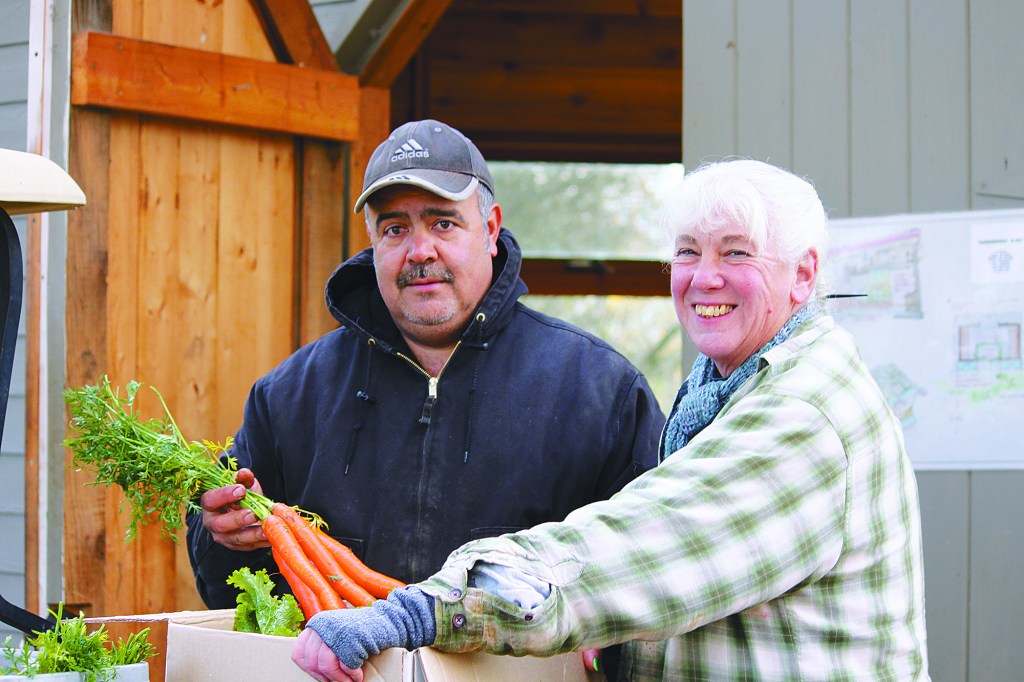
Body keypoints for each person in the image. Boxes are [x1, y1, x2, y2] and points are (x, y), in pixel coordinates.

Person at [290, 159, 931, 681]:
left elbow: (640, 550)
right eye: (688, 252)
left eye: (737, 254)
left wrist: (413, 612)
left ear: (803, 276)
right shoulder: (724, 387)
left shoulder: (804, 413)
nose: (705, 279)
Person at [186, 120, 665, 626]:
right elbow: (226, 597)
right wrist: (226, 535)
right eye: (395, 228)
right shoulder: (289, 398)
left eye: (443, 223)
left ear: (491, 228)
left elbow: (653, 567)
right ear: (372, 241)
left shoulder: (597, 389)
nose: (420, 252)